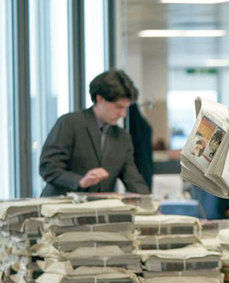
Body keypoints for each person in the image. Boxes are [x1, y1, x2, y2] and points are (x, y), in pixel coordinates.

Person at [39, 69, 150, 197]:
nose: (123, 114)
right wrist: (80, 181)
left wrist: (150, 202)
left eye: (126, 108)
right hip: (61, 204)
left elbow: (133, 179)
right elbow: (48, 167)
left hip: (97, 207)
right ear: (100, 99)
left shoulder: (122, 138)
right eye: (119, 107)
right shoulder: (70, 123)